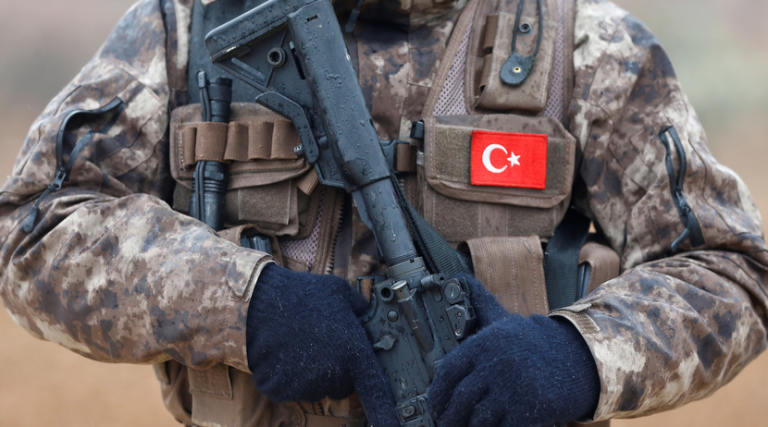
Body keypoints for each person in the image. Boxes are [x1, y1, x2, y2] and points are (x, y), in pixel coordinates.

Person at [1, 0, 767, 426]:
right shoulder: (192, 27)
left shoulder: (584, 46)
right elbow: (33, 227)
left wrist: (576, 356)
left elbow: (732, 268)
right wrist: (246, 305)